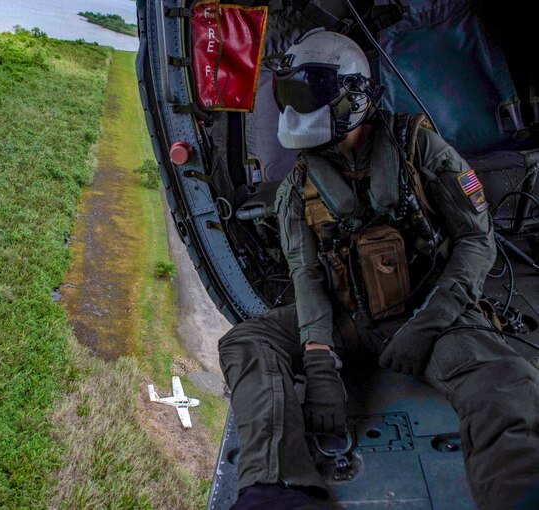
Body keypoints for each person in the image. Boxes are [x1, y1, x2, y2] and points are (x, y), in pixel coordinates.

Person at [219, 28, 539, 510]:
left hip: (428, 311)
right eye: (290, 94)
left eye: (308, 93)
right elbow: (306, 275)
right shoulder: (297, 188)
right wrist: (320, 358)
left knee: (506, 381)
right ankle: (275, 488)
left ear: (354, 95)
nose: (297, 106)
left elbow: (476, 240)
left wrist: (430, 322)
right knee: (246, 340)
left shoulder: (419, 148)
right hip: (349, 318)